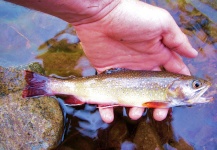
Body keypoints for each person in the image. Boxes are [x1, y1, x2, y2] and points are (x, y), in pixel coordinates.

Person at [7, 0, 198, 123]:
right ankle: (45, 85)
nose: (197, 87)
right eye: (195, 85)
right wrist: (105, 10)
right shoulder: (163, 97)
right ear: (175, 85)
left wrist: (102, 10)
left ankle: (45, 85)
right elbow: (152, 103)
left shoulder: (165, 95)